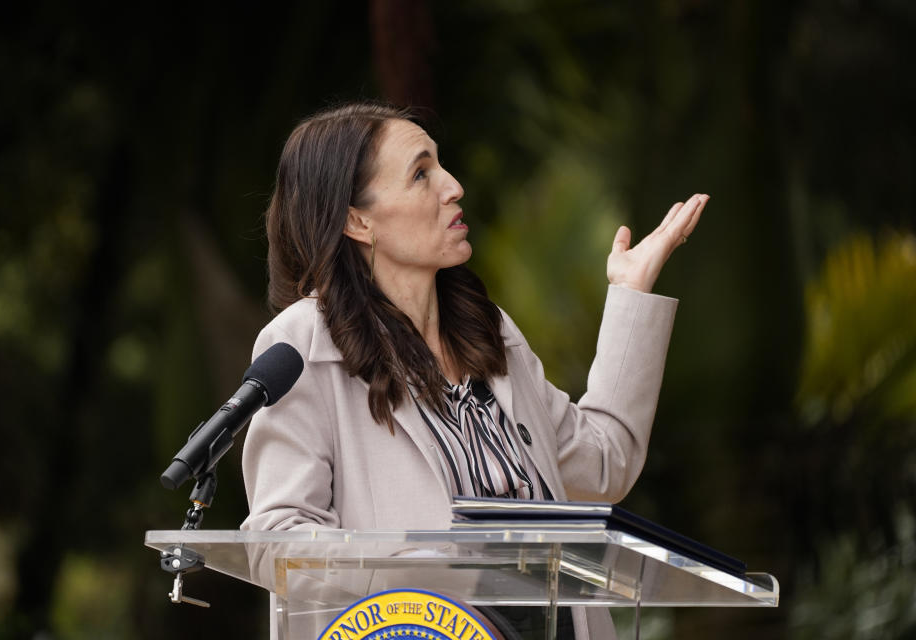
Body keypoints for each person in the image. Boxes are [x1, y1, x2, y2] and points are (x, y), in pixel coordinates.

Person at [240, 102, 707, 640]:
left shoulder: (490, 333)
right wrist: (417, 569)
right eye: (421, 174)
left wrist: (629, 295)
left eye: (441, 165)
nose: (453, 186)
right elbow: (277, 540)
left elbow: (604, 463)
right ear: (357, 220)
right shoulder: (305, 346)